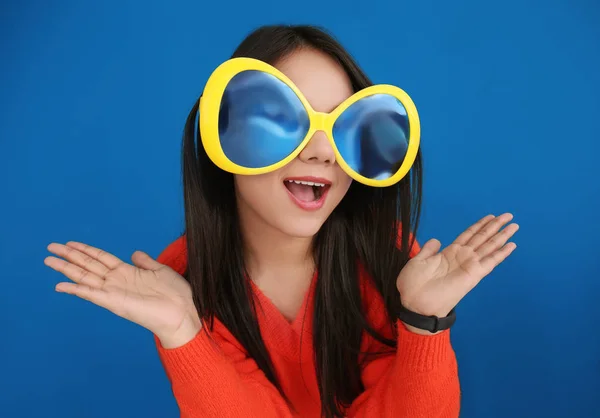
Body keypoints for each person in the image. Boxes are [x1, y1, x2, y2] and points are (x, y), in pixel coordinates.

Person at [44, 24, 519, 418]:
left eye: (344, 126)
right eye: (277, 120)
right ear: (221, 136)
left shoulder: (388, 259)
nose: (321, 151)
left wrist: (424, 323)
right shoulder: (183, 279)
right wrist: (184, 333)